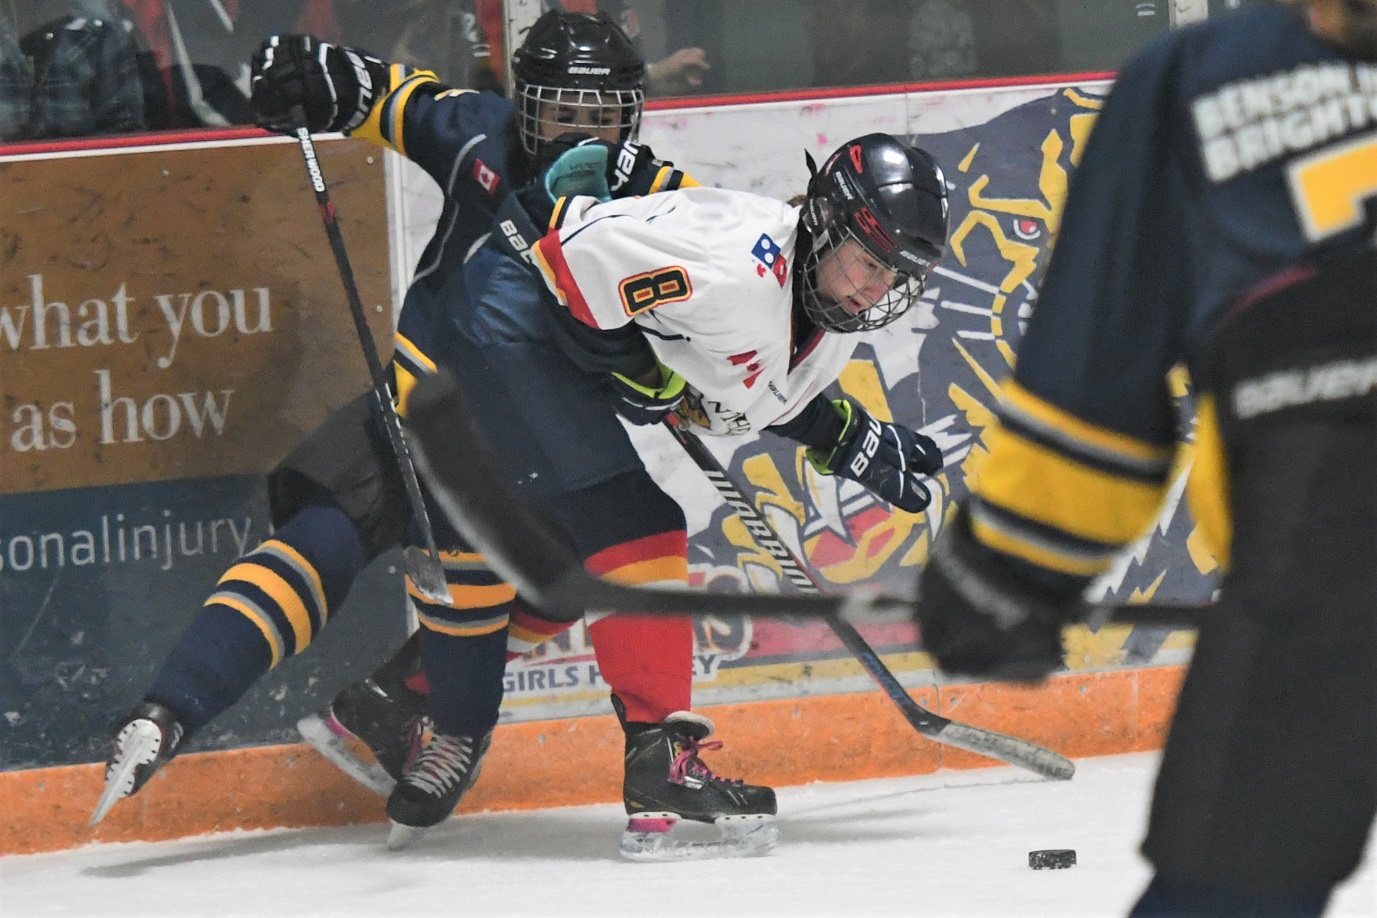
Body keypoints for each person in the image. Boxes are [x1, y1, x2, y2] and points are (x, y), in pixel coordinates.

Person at [90, 11, 754, 860]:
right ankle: (168, 709)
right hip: (412, 411)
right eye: (558, 115)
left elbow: (723, 287)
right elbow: (386, 94)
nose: (578, 140)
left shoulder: (661, 199)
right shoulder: (481, 138)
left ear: (632, 118)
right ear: (524, 109)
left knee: (557, 576)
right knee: (324, 545)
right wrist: (312, 72)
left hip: (522, 453)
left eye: (601, 120)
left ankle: (410, 702)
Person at [909, 0, 1376, 913]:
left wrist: (1009, 568)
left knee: (1220, 894)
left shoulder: (1197, 77)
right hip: (1320, 544)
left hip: (1324, 545)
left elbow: (1096, 377)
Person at [384, 128, 950, 855]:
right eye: (869, 263)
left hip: (554, 330)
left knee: (580, 553)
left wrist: (849, 440)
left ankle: (406, 694)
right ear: (827, 225)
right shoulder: (732, 267)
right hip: (506, 316)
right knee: (635, 523)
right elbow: (562, 260)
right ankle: (658, 759)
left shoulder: (825, 304)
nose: (876, 291)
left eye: (894, 278)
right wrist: (642, 374)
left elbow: (749, 391)